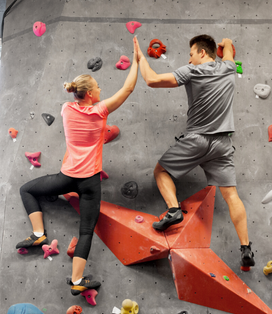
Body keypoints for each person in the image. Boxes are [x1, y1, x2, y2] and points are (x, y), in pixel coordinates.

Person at [16, 38, 139, 295]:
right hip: (90, 182)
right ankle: (76, 281)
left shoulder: (65, 109)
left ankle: (38, 233)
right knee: (85, 231)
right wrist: (136, 62)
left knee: (27, 189)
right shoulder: (99, 112)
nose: (100, 88)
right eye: (97, 86)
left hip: (66, 178)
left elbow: (79, 99)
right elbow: (127, 90)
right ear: (91, 94)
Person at [133, 35, 255, 269]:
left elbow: (152, 80)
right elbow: (228, 48)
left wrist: (140, 58)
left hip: (197, 140)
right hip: (222, 145)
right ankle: (245, 247)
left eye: (191, 54)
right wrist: (226, 43)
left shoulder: (192, 72)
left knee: (161, 171)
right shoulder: (229, 68)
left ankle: (173, 210)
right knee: (231, 196)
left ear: (201, 53)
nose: (188, 59)